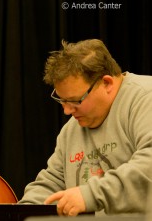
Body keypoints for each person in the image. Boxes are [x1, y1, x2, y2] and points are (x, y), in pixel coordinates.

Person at [19, 39, 152, 216]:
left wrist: (90, 194)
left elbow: (148, 164)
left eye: (75, 100)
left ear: (107, 83)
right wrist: (24, 212)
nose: (66, 111)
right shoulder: (71, 130)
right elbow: (53, 182)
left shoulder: (145, 98)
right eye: (62, 100)